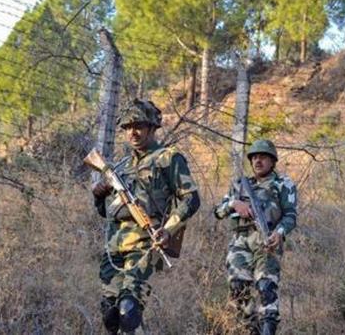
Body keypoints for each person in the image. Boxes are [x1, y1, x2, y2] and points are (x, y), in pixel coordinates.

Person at [92, 99, 200, 334]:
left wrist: (168, 230)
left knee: (128, 310)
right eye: (128, 127)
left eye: (139, 126)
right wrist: (99, 196)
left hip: (146, 244)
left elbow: (191, 199)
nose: (133, 132)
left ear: (152, 128)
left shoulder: (168, 158)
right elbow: (106, 212)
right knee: (111, 317)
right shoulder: (121, 166)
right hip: (115, 247)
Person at [213, 139, 297, 335]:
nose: (258, 161)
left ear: (272, 161)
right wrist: (234, 204)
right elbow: (217, 212)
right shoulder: (240, 185)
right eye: (255, 157)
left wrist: (280, 232)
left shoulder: (283, 184)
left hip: (267, 241)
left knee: (266, 287)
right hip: (240, 243)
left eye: (263, 157)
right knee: (237, 288)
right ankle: (252, 329)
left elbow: (291, 215)